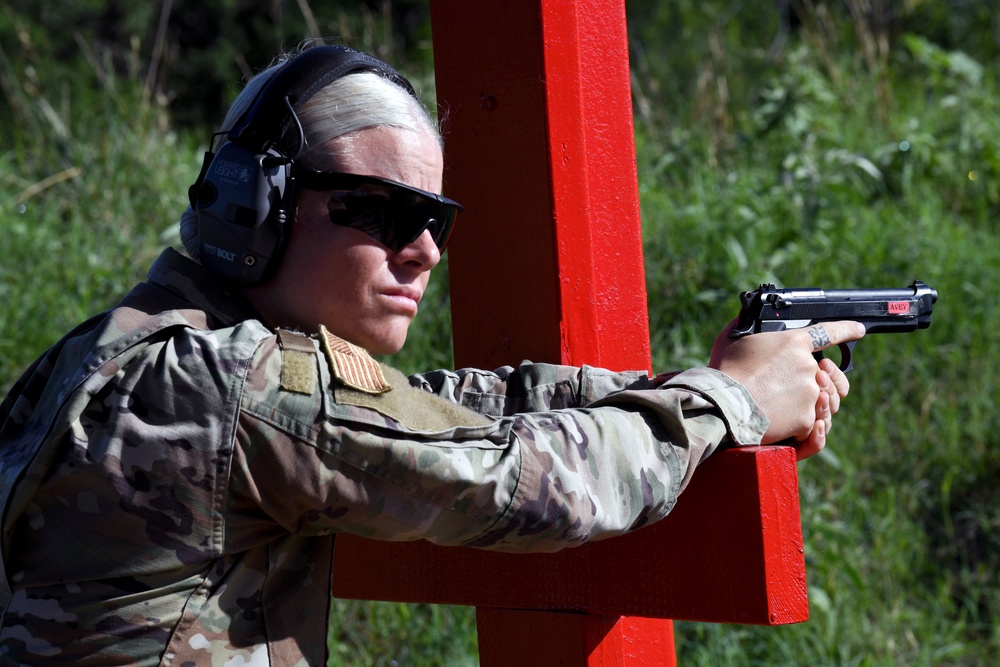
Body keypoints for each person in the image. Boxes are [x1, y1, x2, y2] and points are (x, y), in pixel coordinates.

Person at [0, 44, 863, 665]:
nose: (424, 251)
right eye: (381, 212)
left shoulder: (118, 352)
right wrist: (729, 401)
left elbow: (444, 406)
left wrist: (685, 387)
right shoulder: (238, 384)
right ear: (250, 204)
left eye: (434, 220)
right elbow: (524, 484)